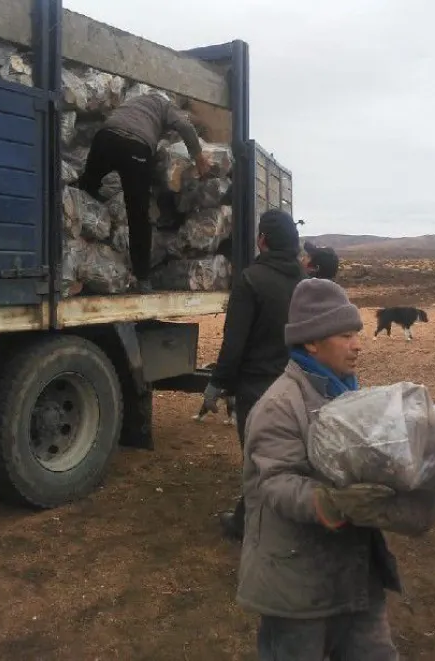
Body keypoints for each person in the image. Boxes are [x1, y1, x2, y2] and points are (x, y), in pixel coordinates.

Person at [237, 278, 402, 660]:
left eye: (357, 334)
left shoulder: (347, 393)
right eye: (346, 335)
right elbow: (274, 483)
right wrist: (329, 503)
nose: (358, 345)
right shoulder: (280, 404)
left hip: (355, 575)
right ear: (311, 342)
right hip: (297, 585)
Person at [203, 209, 306, 540]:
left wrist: (218, 384)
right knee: (289, 454)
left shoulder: (251, 281)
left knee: (256, 458)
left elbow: (234, 344)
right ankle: (265, 517)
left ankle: (250, 525)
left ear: (262, 240)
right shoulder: (305, 284)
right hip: (298, 386)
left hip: (258, 388)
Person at [78, 92, 211, 293]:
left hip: (104, 138)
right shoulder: (165, 105)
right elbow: (184, 127)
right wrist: (198, 158)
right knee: (138, 214)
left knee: (86, 189)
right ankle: (143, 278)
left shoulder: (134, 103)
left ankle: (76, 243)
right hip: (134, 146)